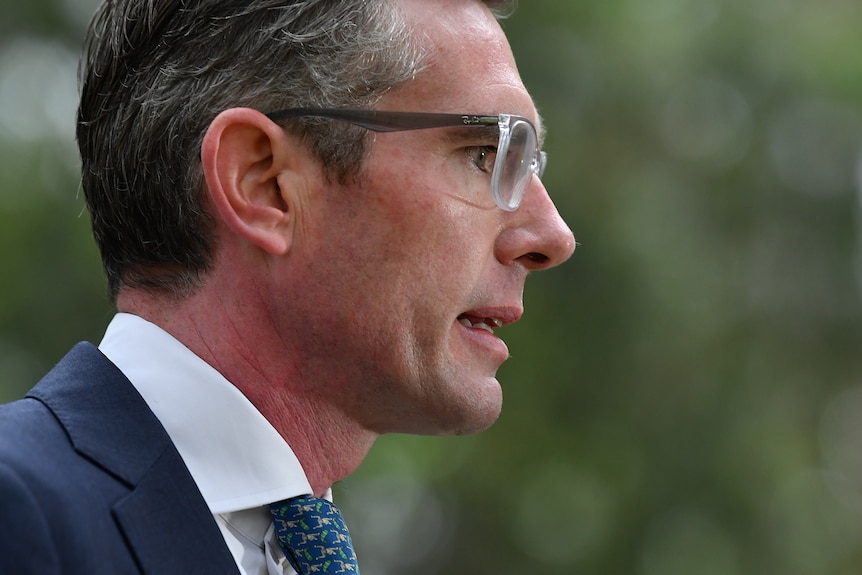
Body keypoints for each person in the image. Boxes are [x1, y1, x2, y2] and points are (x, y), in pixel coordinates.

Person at [0, 0, 575, 573]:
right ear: (264, 184)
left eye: (529, 165)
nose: (553, 235)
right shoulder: (20, 518)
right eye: (484, 155)